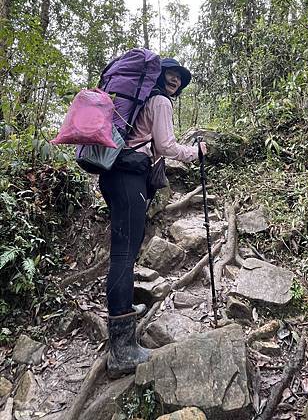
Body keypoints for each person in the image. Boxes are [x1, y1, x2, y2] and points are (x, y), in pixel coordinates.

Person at [99, 58, 207, 378]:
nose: (174, 81)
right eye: (170, 75)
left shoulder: (139, 101)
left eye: (179, 79)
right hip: (130, 178)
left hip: (114, 174)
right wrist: (195, 152)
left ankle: (124, 317)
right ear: (158, 77)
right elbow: (166, 145)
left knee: (125, 250)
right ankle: (121, 350)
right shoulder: (158, 101)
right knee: (124, 254)